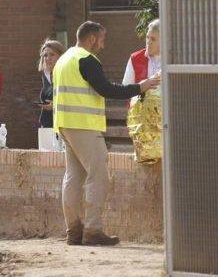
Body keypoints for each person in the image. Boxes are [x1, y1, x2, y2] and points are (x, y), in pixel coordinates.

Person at [53, 21, 160, 246]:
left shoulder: (64, 59)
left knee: (72, 177)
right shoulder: (87, 59)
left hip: (65, 124)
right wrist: (142, 86)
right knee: (98, 175)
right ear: (91, 39)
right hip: (84, 125)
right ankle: (92, 230)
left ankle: (73, 231)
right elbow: (108, 89)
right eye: (101, 40)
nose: (103, 45)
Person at [122, 19, 161, 87]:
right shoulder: (135, 58)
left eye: (153, 39)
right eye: (147, 37)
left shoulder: (172, 60)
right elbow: (126, 90)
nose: (148, 42)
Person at [37, 40, 66, 129]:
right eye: (45, 55)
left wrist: (55, 106)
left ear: (61, 56)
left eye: (52, 55)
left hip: (62, 126)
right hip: (46, 125)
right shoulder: (46, 75)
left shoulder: (65, 74)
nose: (48, 58)